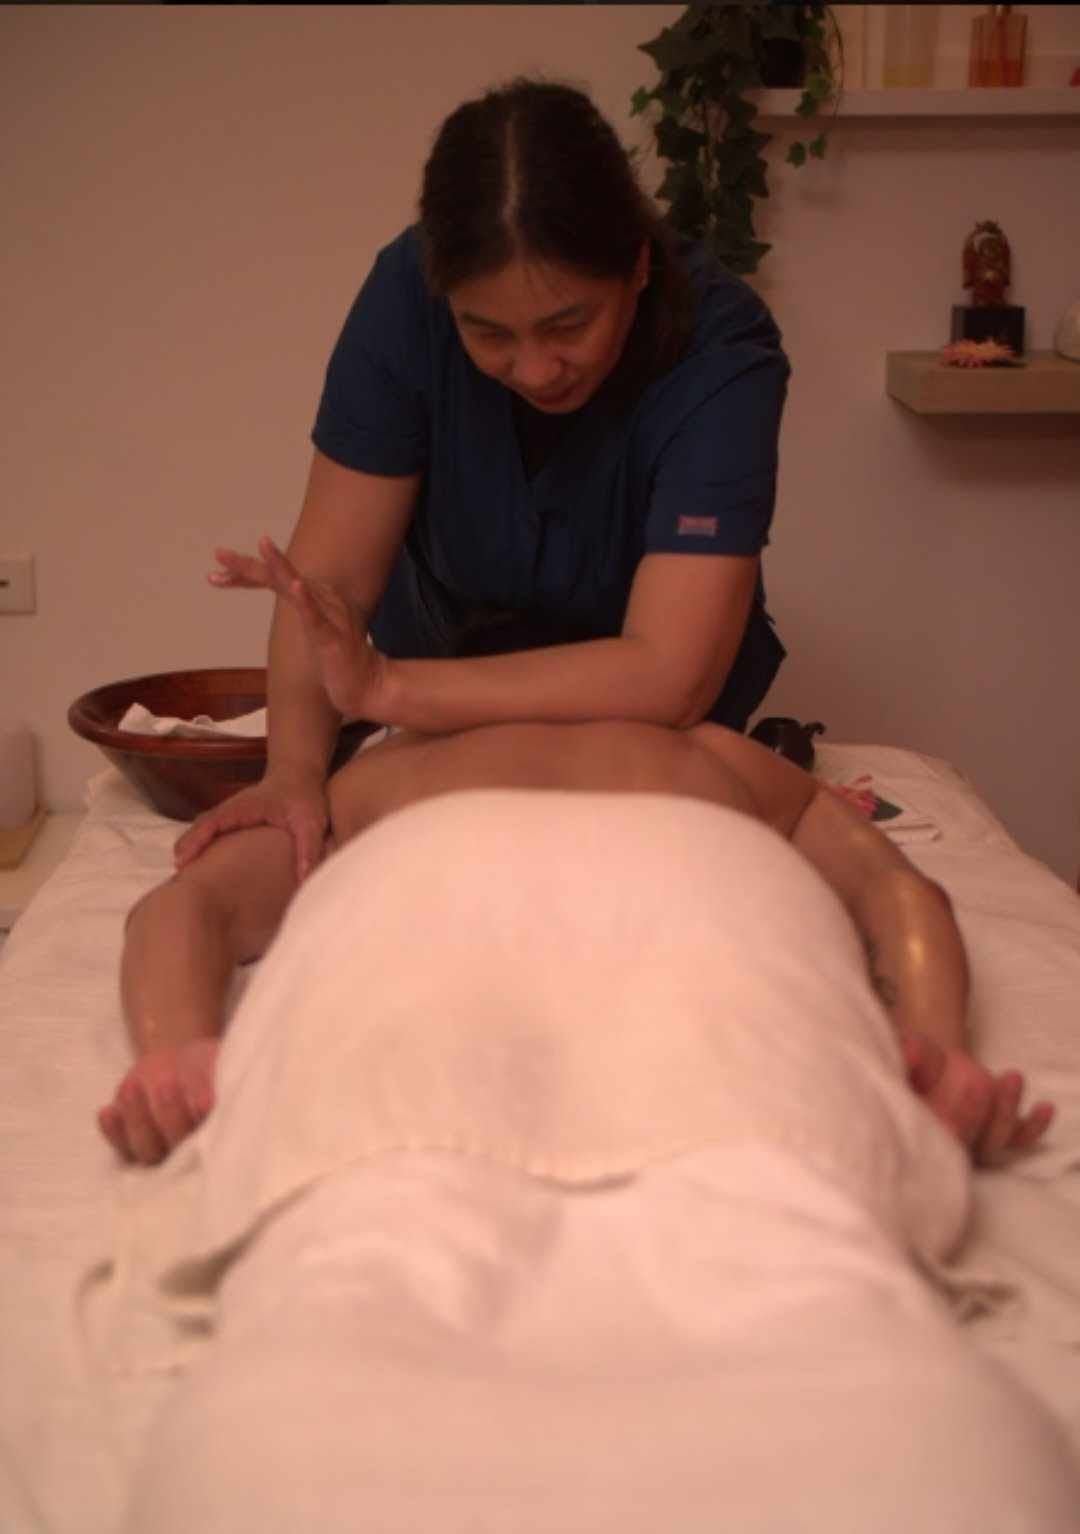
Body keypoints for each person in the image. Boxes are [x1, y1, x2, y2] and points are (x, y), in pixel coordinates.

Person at [98, 640, 1055, 1168]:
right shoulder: (727, 757)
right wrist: (937, 1043)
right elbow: (899, 891)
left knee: (379, 1183)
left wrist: (176, 1051)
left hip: (446, 894)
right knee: (795, 1187)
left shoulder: (370, 780)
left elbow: (182, 909)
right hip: (694, 889)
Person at [182, 76, 791, 889]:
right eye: (488, 332)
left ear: (638, 266)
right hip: (441, 725)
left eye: (569, 325)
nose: (535, 370)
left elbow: (668, 674)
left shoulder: (719, 350)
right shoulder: (406, 298)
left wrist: (389, 686)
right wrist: (291, 770)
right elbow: (329, 585)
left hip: (645, 738)